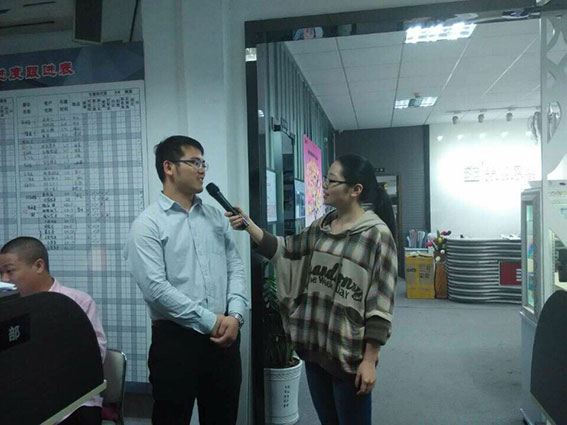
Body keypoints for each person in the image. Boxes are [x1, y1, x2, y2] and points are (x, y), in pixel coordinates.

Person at [227, 154, 397, 425]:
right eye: (325, 179)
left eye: (332, 181)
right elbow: (286, 250)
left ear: (355, 190)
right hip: (315, 348)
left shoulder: (376, 236)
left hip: (348, 355)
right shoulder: (322, 226)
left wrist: (369, 360)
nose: (324, 185)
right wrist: (248, 225)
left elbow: (381, 304)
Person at [124, 135, 248, 425]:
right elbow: (156, 290)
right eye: (194, 162)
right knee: (171, 419)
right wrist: (210, 321)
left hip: (224, 339)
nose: (202, 169)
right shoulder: (148, 224)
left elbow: (235, 267)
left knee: (223, 418)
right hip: (176, 343)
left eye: (203, 163)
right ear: (169, 167)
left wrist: (236, 316)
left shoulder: (216, 217)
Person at [0, 236, 107, 425]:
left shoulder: (77, 302)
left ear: (38, 266)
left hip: (76, 400)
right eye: (1, 273)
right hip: (24, 399)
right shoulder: (11, 310)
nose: (4, 280)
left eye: (9, 271)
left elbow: (94, 357)